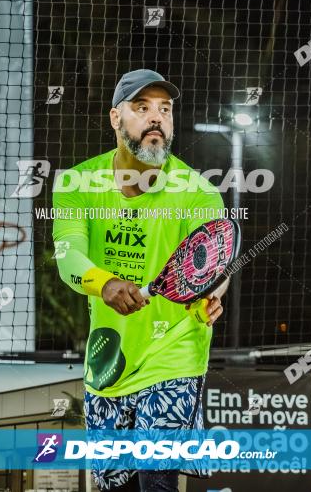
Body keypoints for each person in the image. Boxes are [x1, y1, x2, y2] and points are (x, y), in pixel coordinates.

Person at [52, 69, 230, 491]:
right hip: (109, 357)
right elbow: (68, 256)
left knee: (157, 479)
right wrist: (105, 283)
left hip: (175, 353)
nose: (157, 118)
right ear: (116, 118)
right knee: (117, 486)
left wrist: (213, 292)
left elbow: (215, 259)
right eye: (142, 107)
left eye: (164, 109)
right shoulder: (78, 183)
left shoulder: (197, 191)